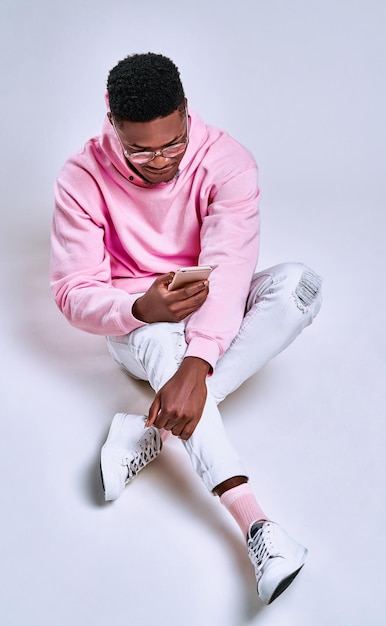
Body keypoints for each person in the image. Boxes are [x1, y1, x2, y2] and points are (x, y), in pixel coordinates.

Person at [50, 52, 322, 605]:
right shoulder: (80, 177)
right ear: (113, 123)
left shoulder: (229, 162)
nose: (159, 162)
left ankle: (151, 429)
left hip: (210, 309)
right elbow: (72, 291)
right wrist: (141, 309)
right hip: (137, 321)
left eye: (172, 144)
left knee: (298, 286)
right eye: (140, 150)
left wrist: (197, 366)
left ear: (186, 112)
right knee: (157, 342)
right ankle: (259, 528)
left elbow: (231, 266)